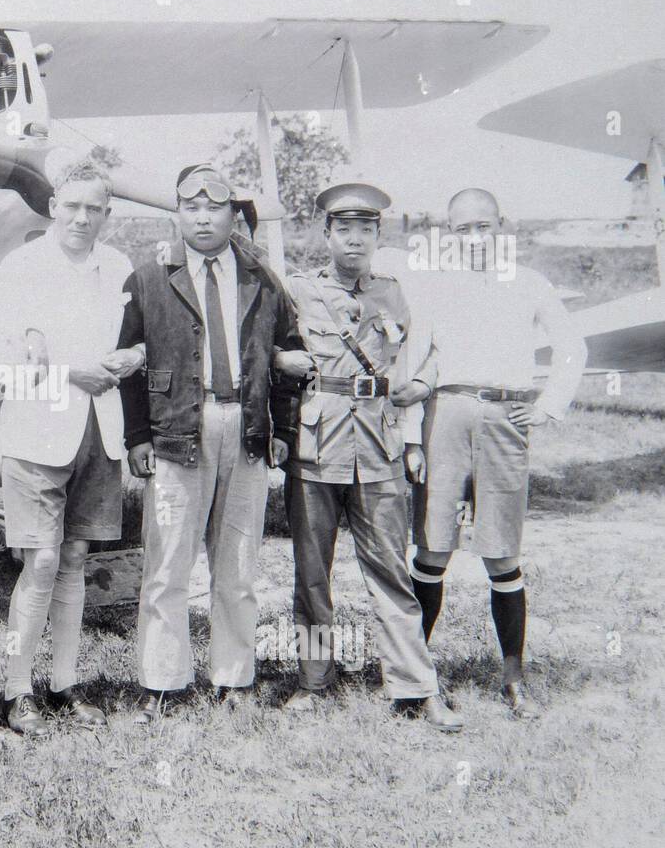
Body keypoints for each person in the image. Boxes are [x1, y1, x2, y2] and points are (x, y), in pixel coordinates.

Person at [389, 187, 587, 719]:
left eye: (483, 226)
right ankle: (418, 672)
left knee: (502, 551)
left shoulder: (530, 282)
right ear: (448, 234)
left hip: (505, 417)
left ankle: (514, 674)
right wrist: (411, 437)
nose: (474, 238)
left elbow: (573, 346)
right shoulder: (434, 287)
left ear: (502, 225)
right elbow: (415, 360)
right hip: (445, 415)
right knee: (432, 548)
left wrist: (548, 406)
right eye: (461, 229)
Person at [120, 164, 303, 723]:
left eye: (214, 208)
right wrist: (137, 436)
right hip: (178, 432)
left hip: (243, 431)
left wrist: (283, 430)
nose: (202, 217)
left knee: (238, 563)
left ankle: (234, 678)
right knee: (168, 563)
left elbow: (287, 356)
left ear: (233, 214)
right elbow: (128, 362)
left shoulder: (262, 279)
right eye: (191, 208)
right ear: (178, 214)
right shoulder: (148, 278)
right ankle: (162, 681)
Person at [277, 183, 461, 730]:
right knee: (312, 573)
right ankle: (314, 680)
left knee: (391, 571)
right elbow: (266, 344)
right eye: (344, 229)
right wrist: (282, 359)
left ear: (378, 235)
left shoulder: (395, 293)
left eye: (366, 229)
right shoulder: (299, 290)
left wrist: (424, 385)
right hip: (317, 444)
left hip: (377, 447)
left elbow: (429, 350)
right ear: (326, 234)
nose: (355, 239)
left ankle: (415, 685)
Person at [0, 161, 143, 735]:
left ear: (107, 213)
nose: (81, 217)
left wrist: (131, 359)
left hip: (101, 431)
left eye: (93, 208)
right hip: (36, 433)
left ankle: (64, 683)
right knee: (41, 560)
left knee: (75, 559)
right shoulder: (20, 268)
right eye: (71, 206)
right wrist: (74, 374)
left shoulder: (120, 268)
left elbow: (136, 344)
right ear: (53, 207)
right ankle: (15, 688)